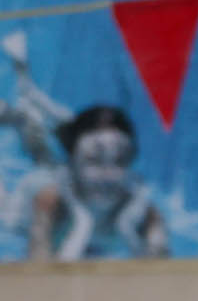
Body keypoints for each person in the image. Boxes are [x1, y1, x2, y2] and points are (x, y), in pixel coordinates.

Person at [27, 105, 168, 262]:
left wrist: (128, 231)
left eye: (120, 161)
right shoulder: (50, 203)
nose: (108, 175)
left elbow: (163, 272)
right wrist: (81, 224)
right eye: (94, 160)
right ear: (73, 162)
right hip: (49, 180)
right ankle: (26, 119)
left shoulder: (145, 215)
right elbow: (38, 271)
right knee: (42, 158)